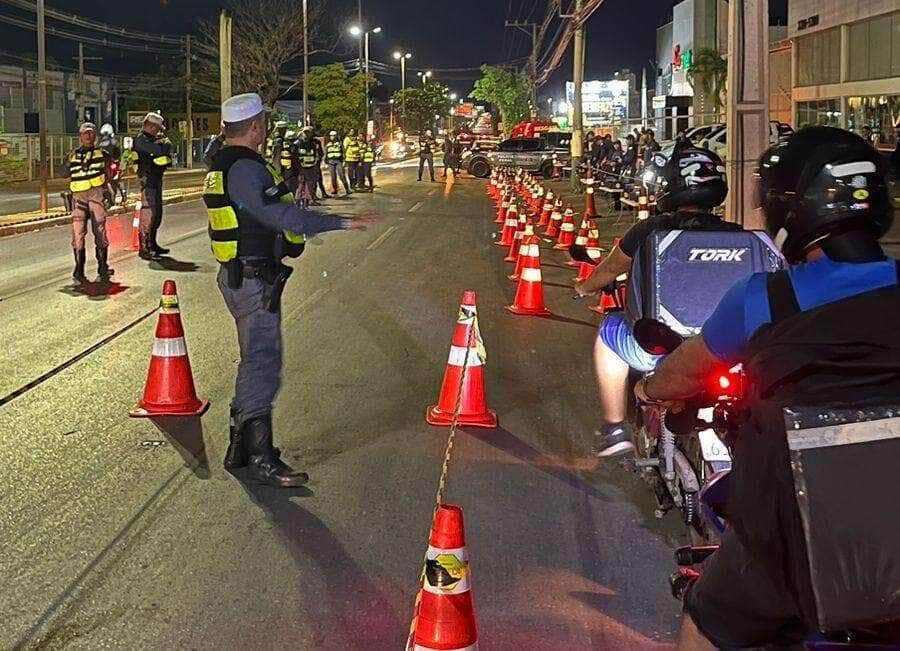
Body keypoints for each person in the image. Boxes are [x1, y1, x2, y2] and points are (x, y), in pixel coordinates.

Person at [633, 127, 898, 650]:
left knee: (704, 620)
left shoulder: (765, 298)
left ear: (789, 208)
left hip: (792, 539)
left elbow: (683, 373)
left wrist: (648, 390)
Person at [203, 93, 377, 487]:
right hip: (252, 279)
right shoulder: (244, 168)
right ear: (255, 127)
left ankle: (240, 448)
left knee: (254, 360)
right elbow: (277, 214)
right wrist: (339, 223)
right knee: (262, 363)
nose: (265, 129)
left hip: (245, 275)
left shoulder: (224, 163)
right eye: (263, 123)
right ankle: (261, 457)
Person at [574, 146, 733, 457]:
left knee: (609, 330)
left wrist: (584, 287)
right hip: (721, 347)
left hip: (662, 346)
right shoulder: (735, 233)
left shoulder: (651, 230)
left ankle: (614, 428)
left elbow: (609, 270)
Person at [64, 122, 114, 282]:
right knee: (78, 234)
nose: (88, 136)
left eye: (91, 133)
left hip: (96, 195)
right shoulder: (72, 155)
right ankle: (79, 268)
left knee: (100, 231)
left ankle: (102, 266)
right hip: (78, 198)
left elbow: (110, 175)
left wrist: (110, 193)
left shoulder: (103, 154)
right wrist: (68, 162)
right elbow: (63, 173)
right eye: (85, 133)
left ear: (95, 136)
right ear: (80, 136)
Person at [133, 112, 173, 259]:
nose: (159, 132)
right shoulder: (141, 140)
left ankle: (152, 244)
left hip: (156, 179)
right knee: (148, 214)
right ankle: (144, 247)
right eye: (157, 128)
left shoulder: (152, 140)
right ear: (150, 126)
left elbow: (166, 159)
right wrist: (165, 146)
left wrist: (163, 151)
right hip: (147, 180)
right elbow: (158, 151)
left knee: (156, 214)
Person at [97, 123, 125, 205]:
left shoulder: (100, 144)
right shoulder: (115, 142)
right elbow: (119, 154)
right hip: (114, 163)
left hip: (104, 166)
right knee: (117, 179)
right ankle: (123, 191)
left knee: (105, 181)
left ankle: (108, 199)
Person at [295, 126, 320, 206]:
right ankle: (297, 203)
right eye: (305, 133)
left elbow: (316, 155)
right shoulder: (297, 144)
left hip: (311, 168)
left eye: (308, 133)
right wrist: (298, 168)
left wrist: (315, 163)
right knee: (300, 186)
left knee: (309, 186)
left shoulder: (313, 144)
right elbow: (295, 157)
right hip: (301, 168)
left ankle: (306, 203)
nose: (306, 135)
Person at [325, 130, 351, 197]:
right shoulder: (328, 144)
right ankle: (335, 189)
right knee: (333, 177)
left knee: (341, 175)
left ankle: (347, 189)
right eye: (331, 136)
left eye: (334, 136)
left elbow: (343, 152)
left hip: (338, 161)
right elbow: (326, 153)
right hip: (331, 162)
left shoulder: (340, 144)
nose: (332, 137)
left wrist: (344, 161)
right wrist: (325, 161)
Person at [311, 126, 329, 199]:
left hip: (317, 162)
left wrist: (320, 159)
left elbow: (321, 152)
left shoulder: (317, 141)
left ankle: (323, 193)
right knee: (314, 179)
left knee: (319, 178)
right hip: (310, 163)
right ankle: (313, 195)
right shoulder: (306, 142)